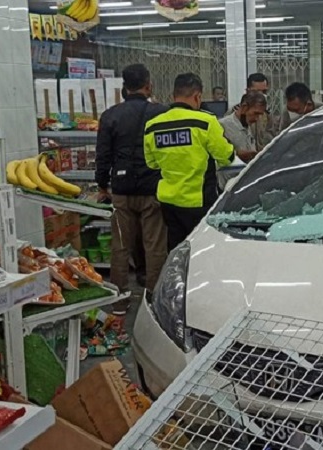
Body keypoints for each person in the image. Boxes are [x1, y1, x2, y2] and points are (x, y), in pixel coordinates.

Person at [95, 64, 168, 313]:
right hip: (153, 189)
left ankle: (119, 300)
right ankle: (153, 301)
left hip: (122, 190)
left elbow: (103, 155)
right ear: (148, 85)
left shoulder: (110, 115)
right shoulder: (161, 113)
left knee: (121, 246)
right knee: (154, 247)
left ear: (124, 87)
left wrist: (102, 185)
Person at [144, 73, 236, 251]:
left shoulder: (153, 125)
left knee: (177, 249)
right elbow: (226, 157)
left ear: (174, 95)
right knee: (201, 249)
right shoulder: (205, 122)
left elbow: (152, 163)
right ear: (197, 96)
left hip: (168, 201)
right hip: (198, 200)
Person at [218, 92, 264, 190]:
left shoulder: (248, 126)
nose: (256, 119)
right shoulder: (222, 126)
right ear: (244, 107)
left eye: (259, 115)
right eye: (255, 113)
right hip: (227, 187)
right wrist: (241, 155)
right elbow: (219, 158)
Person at [225, 73, 275, 152]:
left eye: (264, 91)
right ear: (248, 91)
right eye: (257, 91)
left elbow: (272, 135)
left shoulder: (267, 114)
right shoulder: (235, 112)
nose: (261, 95)